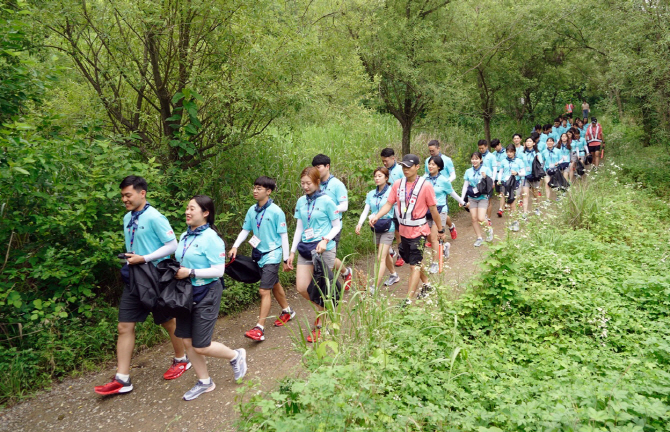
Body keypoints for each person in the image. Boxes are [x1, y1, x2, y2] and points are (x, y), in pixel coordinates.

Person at [94, 176, 185, 396]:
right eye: (122, 195)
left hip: (155, 276)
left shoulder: (155, 217)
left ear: (142, 193)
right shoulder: (127, 218)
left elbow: (172, 245)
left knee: (167, 321)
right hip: (134, 276)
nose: (124, 199)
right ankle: (122, 378)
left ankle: (182, 359)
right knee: (124, 326)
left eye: (128, 195)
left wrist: (144, 258)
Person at [175, 195, 247, 400]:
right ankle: (205, 382)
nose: (187, 212)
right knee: (187, 341)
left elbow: (218, 271)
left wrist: (190, 272)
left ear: (205, 213)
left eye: (192, 209)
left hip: (206, 291)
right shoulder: (184, 236)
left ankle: (236, 356)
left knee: (201, 344)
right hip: (185, 294)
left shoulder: (212, 239)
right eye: (187, 208)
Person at [370, 154, 445, 303]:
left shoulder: (425, 185)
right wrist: (377, 216)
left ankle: (408, 300)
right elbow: (389, 204)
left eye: (409, 166)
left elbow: (434, 210)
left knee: (414, 266)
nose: (405, 169)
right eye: (403, 166)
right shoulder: (397, 184)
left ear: (417, 167)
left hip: (419, 230)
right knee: (412, 261)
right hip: (403, 230)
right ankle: (428, 284)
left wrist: (440, 229)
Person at [229, 176, 295, 342]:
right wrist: (235, 246)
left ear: (268, 191)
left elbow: (284, 236)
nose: (255, 191)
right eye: (254, 187)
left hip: (272, 254)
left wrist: (286, 258)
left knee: (263, 290)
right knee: (274, 284)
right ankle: (287, 310)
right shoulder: (252, 210)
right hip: (258, 254)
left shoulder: (276, 212)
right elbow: (245, 230)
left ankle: (259, 328)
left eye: (259, 188)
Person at [288, 167, 341, 342]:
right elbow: (299, 228)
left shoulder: (327, 201)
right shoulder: (301, 201)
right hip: (305, 248)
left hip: (323, 248)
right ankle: (324, 311)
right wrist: (292, 251)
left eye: (308, 183)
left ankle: (323, 325)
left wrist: (325, 240)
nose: (305, 187)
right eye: (302, 183)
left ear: (317, 182)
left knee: (322, 287)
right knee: (302, 287)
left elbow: (337, 225)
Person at [355, 167, 400, 291]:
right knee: (384, 255)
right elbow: (366, 210)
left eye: (380, 176)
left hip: (388, 227)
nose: (377, 178)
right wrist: (359, 223)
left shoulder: (392, 191)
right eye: (375, 176)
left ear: (386, 178)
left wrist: (402, 224)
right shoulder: (371, 193)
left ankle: (374, 286)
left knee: (380, 257)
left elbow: (397, 209)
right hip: (376, 227)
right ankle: (394, 275)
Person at [311, 155, 352, 288]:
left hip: (333, 226)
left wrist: (327, 211)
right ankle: (346, 272)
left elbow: (344, 206)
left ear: (327, 166)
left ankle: (326, 287)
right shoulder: (315, 184)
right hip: (317, 227)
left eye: (319, 167)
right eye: (314, 168)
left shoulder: (337, 184)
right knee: (322, 256)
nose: (316, 171)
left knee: (328, 255)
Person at [423, 155, 464, 272]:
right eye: (429, 164)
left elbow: (453, 193)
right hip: (427, 210)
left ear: (439, 167)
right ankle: (445, 246)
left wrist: (464, 202)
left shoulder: (444, 180)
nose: (430, 166)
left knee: (434, 237)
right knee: (429, 238)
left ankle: (435, 262)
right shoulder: (424, 179)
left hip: (440, 210)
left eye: (433, 164)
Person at [460, 152, 492, 247]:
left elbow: (490, 183)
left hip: (482, 197)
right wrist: (462, 199)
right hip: (472, 197)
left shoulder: (485, 169)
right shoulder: (468, 171)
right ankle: (479, 238)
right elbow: (465, 186)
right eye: (473, 159)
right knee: (474, 218)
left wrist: (485, 176)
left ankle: (489, 229)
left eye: (476, 158)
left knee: (481, 218)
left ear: (480, 160)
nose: (474, 160)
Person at [380, 148, 405, 267]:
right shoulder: (384, 171)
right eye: (383, 161)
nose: (384, 163)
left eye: (386, 160)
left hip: (400, 205)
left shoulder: (400, 169)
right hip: (388, 205)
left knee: (399, 231)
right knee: (390, 229)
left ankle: (401, 254)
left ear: (393, 158)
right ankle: (391, 251)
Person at [497, 145, 525, 231]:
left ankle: (516, 222)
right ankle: (511, 222)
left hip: (515, 183)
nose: (509, 153)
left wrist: (517, 173)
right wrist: (499, 180)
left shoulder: (519, 161)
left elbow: (523, 172)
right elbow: (501, 172)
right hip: (506, 184)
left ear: (514, 152)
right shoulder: (503, 161)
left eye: (511, 152)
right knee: (508, 204)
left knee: (513, 204)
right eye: (508, 152)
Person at [477, 140, 497, 231]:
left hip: (488, 180)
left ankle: (488, 218)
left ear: (486, 146)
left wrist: (492, 181)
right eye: (479, 148)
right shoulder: (478, 156)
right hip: (480, 182)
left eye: (482, 148)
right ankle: (482, 216)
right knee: (481, 198)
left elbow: (494, 169)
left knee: (488, 199)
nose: (481, 150)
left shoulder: (491, 156)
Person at [520, 138, 541, 216]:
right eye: (527, 141)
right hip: (525, 177)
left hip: (534, 176)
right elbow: (520, 164)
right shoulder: (522, 154)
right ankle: (525, 212)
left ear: (534, 143)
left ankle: (537, 207)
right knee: (525, 194)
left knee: (535, 193)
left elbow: (540, 164)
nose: (528, 143)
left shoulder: (537, 153)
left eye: (530, 141)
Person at [491, 139, 507, 218]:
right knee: (499, 192)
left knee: (502, 192)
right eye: (494, 147)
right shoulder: (493, 154)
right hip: (496, 175)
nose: (495, 148)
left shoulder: (506, 153)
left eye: (496, 146)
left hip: (503, 175)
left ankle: (500, 209)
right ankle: (504, 204)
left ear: (500, 144)